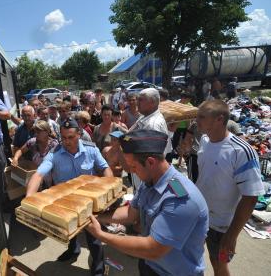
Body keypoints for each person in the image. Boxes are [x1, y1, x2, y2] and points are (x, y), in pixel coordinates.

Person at [86, 129, 209, 276]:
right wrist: (97, 218)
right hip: (149, 265)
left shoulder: (181, 199)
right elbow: (131, 213)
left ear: (150, 162)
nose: (131, 171)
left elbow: (153, 249)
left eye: (133, 167)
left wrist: (101, 235)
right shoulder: (150, 180)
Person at [26, 118, 113, 276]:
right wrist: (29, 198)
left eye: (71, 137)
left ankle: (99, 268)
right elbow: (38, 175)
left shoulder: (91, 149)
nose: (67, 142)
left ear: (79, 134)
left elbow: (105, 169)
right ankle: (73, 251)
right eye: (64, 137)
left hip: (89, 202)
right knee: (68, 231)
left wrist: (107, 192)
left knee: (93, 238)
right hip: (65, 202)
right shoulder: (55, 154)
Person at [195, 100, 264, 276]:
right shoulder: (204, 141)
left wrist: (232, 235)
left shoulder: (241, 151)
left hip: (222, 225)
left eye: (202, 117)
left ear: (219, 119)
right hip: (200, 217)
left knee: (219, 264)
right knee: (199, 257)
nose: (197, 120)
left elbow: (250, 197)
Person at [129, 88, 171, 191]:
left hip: (148, 176)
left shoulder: (153, 125)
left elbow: (153, 159)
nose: (137, 103)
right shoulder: (144, 117)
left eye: (141, 100)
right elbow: (130, 133)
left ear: (152, 102)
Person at [12, 120, 58, 188]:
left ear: (47, 132)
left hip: (53, 182)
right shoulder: (32, 142)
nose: (36, 134)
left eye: (38, 132)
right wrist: (15, 158)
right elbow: (20, 151)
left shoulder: (54, 145)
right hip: (37, 180)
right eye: (35, 131)